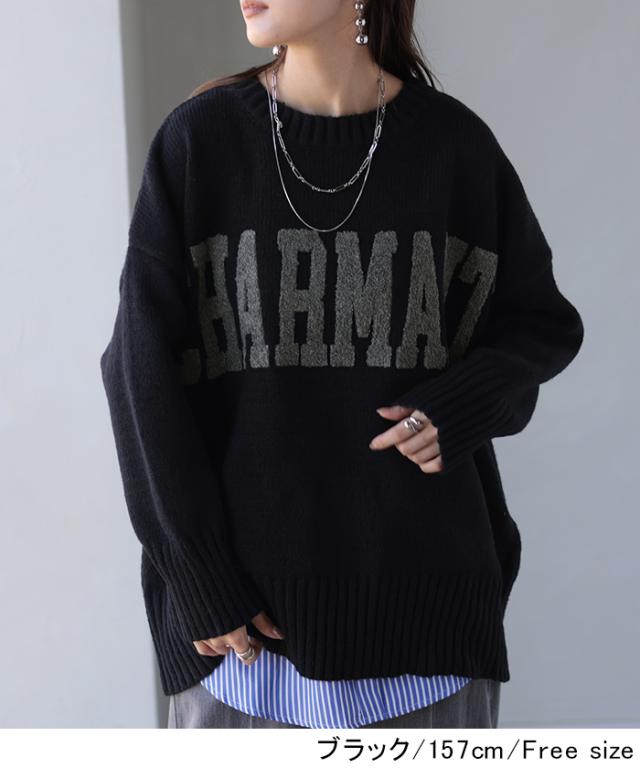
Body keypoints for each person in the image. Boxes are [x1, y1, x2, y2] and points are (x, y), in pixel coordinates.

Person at [100, 0, 584, 729]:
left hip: (427, 633)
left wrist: (463, 403)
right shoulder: (201, 142)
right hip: (242, 645)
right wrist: (197, 573)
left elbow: (542, 323)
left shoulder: (454, 148)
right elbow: (138, 375)